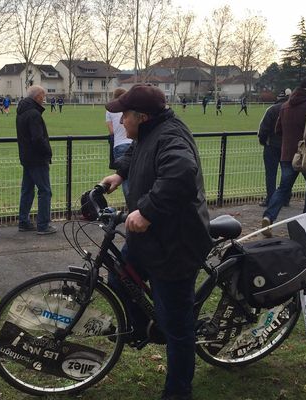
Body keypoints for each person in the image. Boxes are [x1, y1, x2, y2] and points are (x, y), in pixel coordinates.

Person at [101, 84, 212, 400]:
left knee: (177, 327)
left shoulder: (171, 137)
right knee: (119, 277)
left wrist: (147, 211)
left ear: (142, 116)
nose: (121, 122)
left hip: (174, 245)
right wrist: (120, 174)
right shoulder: (151, 132)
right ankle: (140, 327)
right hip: (149, 238)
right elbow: (139, 154)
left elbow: (181, 173)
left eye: (125, 115)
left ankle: (178, 391)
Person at [261, 76, 306, 237]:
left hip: (287, 154)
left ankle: (268, 217)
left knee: (283, 188)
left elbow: (278, 130)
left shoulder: (285, 106)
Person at [16, 85, 56, 235]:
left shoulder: (22, 111)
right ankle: (43, 224)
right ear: (37, 96)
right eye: (43, 96)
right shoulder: (34, 114)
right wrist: (47, 151)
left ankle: (24, 221)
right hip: (37, 158)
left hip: (26, 156)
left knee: (27, 190)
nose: (44, 99)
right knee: (45, 191)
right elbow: (38, 138)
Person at [258, 88, 292, 207]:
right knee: (287, 174)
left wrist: (263, 141)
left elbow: (263, 129)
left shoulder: (272, 110)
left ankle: (271, 199)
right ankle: (285, 198)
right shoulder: (292, 110)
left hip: (271, 145)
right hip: (288, 147)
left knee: (271, 174)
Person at [105, 87, 132, 200]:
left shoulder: (110, 110)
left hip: (119, 145)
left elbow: (111, 131)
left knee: (125, 178)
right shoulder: (130, 108)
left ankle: (131, 206)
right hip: (133, 143)